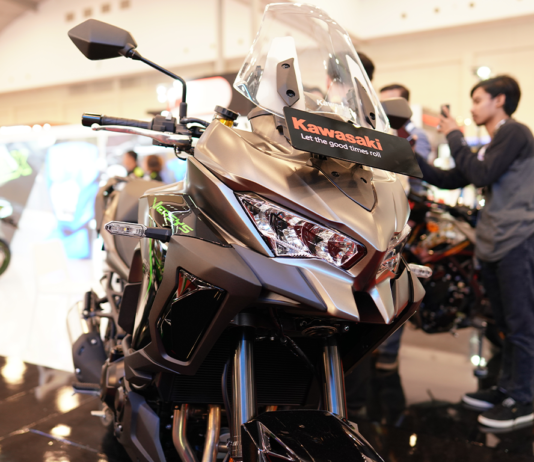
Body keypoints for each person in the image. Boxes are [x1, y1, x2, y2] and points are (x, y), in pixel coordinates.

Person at [415, 75, 534, 428]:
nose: (473, 107)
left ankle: (525, 400)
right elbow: (450, 178)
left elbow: (481, 173)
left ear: (500, 100)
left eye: (479, 99)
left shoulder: (515, 132)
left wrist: (454, 134)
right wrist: (408, 157)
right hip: (495, 244)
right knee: (503, 323)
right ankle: (508, 388)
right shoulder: (493, 145)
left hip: (517, 241)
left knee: (521, 324)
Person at [373, 83, 432, 371]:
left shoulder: (416, 137)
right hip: (377, 216)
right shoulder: (375, 130)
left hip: (405, 219)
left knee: (396, 279)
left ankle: (389, 350)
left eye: (391, 104)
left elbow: (420, 175)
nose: (384, 109)